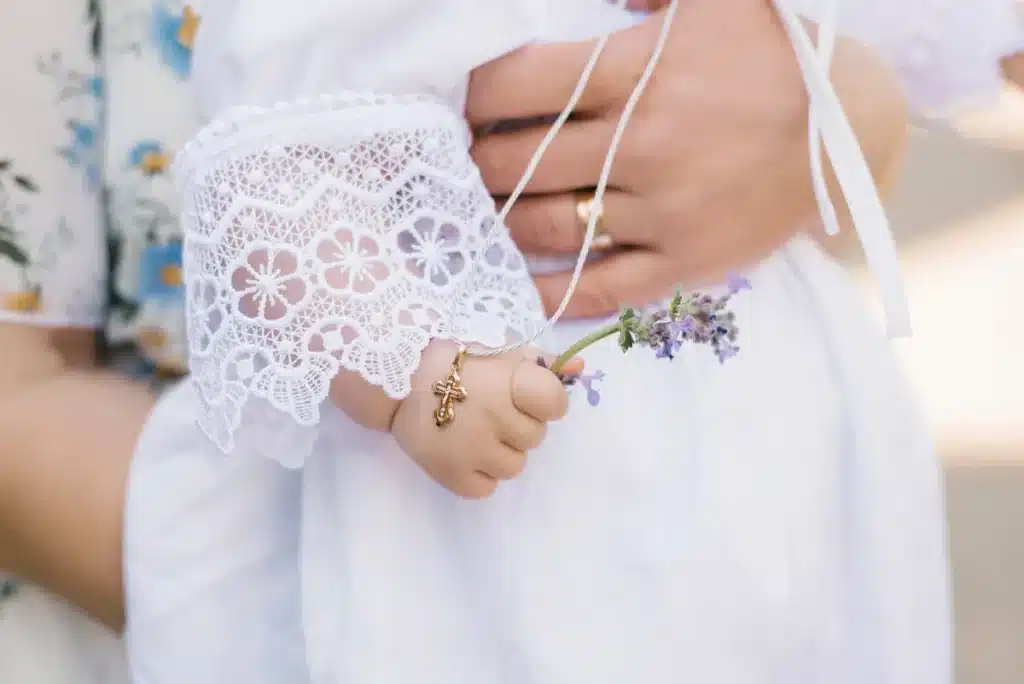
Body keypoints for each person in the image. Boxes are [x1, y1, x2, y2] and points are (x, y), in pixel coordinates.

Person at [0, 0, 1019, 682]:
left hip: (779, 476)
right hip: (497, 527)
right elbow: (288, 190)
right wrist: (416, 376)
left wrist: (848, 105)